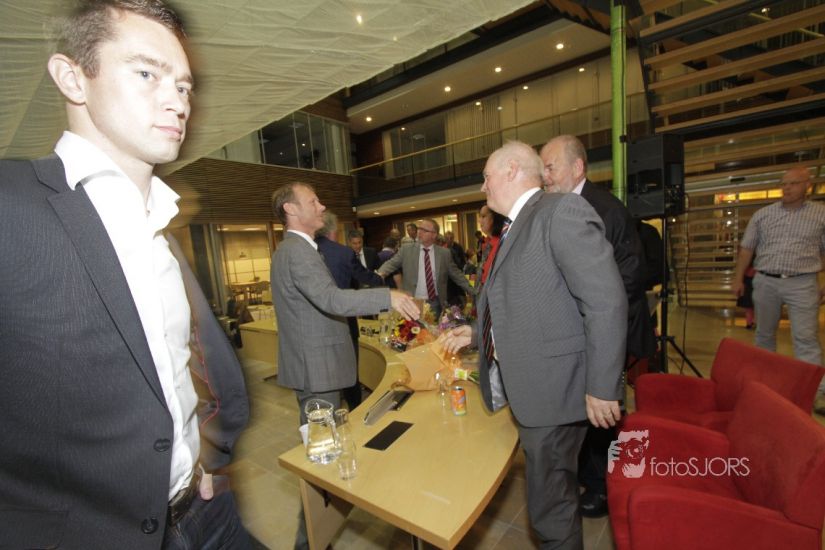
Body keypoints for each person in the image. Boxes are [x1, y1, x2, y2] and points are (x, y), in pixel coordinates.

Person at [0, 2, 251, 548]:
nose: (177, 101)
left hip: (206, 511)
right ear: (73, 78)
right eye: (146, 73)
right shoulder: (9, 207)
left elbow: (190, 367)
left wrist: (213, 455)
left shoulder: (162, 229)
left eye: (183, 87)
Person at [441, 141, 627, 549]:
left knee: (551, 511)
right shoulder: (517, 224)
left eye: (486, 177)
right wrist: (476, 331)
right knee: (551, 501)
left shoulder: (561, 211)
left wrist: (602, 386)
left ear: (511, 171)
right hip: (538, 390)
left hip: (555, 392)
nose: (483, 187)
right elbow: (523, 301)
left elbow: (606, 301)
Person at [270, 182, 419, 549]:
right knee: (320, 462)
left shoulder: (300, 249)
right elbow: (331, 300)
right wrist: (388, 296)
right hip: (316, 369)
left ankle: (314, 537)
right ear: (291, 209)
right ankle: (308, 542)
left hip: (317, 365)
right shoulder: (297, 251)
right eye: (313, 201)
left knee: (325, 457)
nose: (322, 206)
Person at [541, 134, 655, 518]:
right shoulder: (561, 208)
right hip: (582, 330)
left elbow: (630, 277)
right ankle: (589, 475)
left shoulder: (605, 209)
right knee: (585, 410)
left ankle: (604, 488)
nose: (545, 176)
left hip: (607, 333)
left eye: (551, 167)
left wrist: (588, 317)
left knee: (602, 409)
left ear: (577, 167)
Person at [732, 165, 825, 413]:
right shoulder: (763, 215)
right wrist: (738, 278)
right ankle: (766, 386)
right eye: (783, 183)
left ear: (807, 185)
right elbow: (747, 249)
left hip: (802, 282)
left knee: (805, 338)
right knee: (764, 335)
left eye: (793, 183)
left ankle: (815, 393)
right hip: (766, 281)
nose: (787, 188)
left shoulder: (820, 214)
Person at [316, 212, 384, 409]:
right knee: (349, 368)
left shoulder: (306, 251)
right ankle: (354, 408)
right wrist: (380, 279)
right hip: (344, 320)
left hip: (318, 323)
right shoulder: (343, 253)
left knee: (326, 370)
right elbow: (364, 276)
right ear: (333, 230)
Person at [377, 218, 475, 320]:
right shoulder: (406, 250)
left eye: (424, 230)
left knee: (434, 329)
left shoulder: (444, 254)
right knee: (412, 329)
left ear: (434, 235)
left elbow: (457, 275)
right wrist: (378, 276)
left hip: (435, 303)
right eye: (419, 229)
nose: (419, 232)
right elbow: (390, 264)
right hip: (413, 301)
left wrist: (473, 291)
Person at [477, 204, 507, 287]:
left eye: (483, 216)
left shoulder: (502, 244)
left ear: (495, 217)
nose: (479, 221)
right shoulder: (487, 243)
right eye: (480, 217)